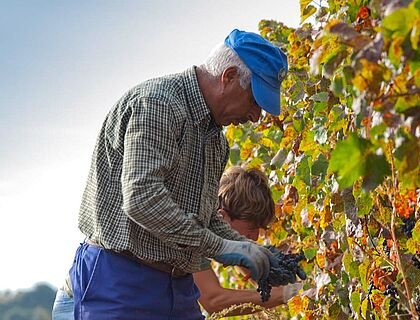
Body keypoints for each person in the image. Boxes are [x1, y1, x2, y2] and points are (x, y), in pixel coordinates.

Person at [65, 29, 295, 319]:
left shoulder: (215, 141)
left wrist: (249, 250)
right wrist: (222, 246)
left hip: (178, 286)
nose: (255, 117)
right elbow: (142, 200)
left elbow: (208, 216)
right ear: (229, 77)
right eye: (254, 101)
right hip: (120, 279)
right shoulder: (159, 105)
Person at [52, 166, 302, 319]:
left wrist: (277, 273)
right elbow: (213, 300)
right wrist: (286, 294)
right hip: (81, 303)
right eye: (251, 229)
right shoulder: (195, 224)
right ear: (223, 217)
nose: (255, 238)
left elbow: (251, 268)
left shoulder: (212, 216)